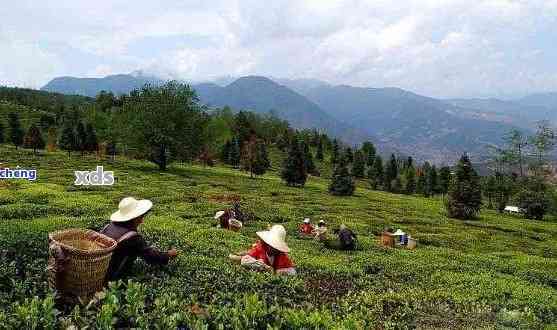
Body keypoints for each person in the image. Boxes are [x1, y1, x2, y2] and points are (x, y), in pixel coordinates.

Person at [100, 197, 178, 280]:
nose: (141, 221)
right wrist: (169, 254)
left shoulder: (109, 226)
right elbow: (151, 257)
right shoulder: (132, 238)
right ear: (133, 218)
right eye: (140, 217)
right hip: (113, 278)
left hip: (101, 270)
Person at [229, 225, 296, 275]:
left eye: (276, 246)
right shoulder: (260, 248)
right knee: (241, 256)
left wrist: (278, 272)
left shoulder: (281, 255)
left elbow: (292, 271)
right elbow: (245, 260)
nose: (273, 248)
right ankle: (237, 254)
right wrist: (264, 267)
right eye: (272, 244)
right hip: (254, 258)